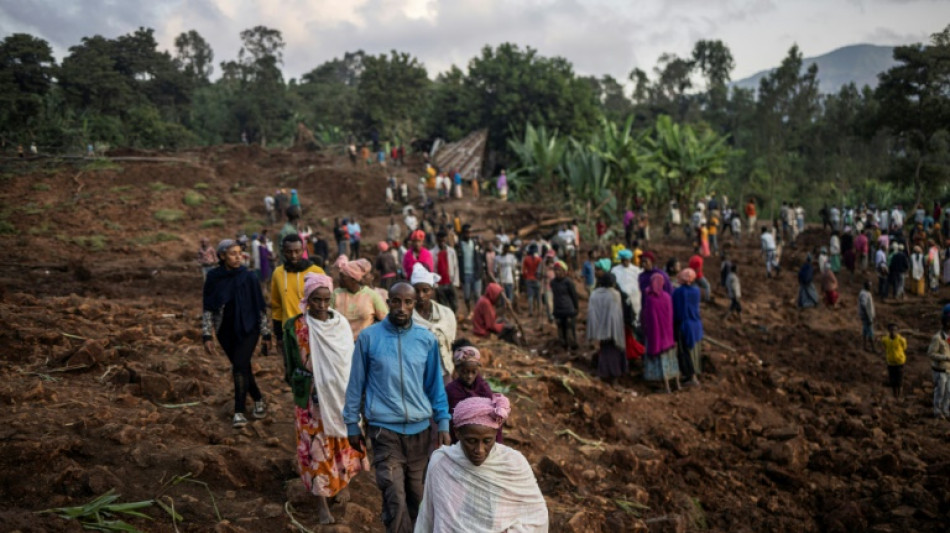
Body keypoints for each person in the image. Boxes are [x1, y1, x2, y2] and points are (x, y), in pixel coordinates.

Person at [343, 283, 451, 533]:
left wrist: (443, 421)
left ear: (415, 304)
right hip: (384, 431)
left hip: (420, 433)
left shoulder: (426, 339)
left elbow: (435, 385)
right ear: (388, 302)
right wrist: (351, 423)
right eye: (396, 301)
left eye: (408, 302)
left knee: (417, 496)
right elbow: (355, 384)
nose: (402, 308)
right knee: (394, 495)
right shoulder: (370, 338)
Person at [282, 274, 367, 524]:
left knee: (342, 441)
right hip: (311, 402)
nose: (320, 305)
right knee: (317, 447)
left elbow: (348, 361)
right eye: (315, 300)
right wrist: (306, 384)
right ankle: (321, 503)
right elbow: (290, 363)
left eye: (325, 300)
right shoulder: (296, 326)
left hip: (340, 396)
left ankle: (342, 484)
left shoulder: (339, 324)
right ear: (307, 299)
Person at [414, 394, 548, 532]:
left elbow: (537, 517)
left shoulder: (513, 464)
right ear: (457, 433)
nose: (479, 450)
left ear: (496, 434)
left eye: (487, 441)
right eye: (471, 441)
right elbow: (428, 518)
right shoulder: (441, 463)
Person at [202, 240, 271, 428]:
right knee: (243, 367)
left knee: (239, 366)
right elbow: (208, 308)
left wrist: (266, 334)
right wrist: (207, 335)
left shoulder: (249, 277)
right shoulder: (214, 278)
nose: (237, 257)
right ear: (222, 256)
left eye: (239, 253)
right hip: (225, 330)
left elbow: (260, 307)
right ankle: (258, 398)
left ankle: (239, 411)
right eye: (232, 253)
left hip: (249, 328)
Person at [271, 235, 326, 361]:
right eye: (289, 252)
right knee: (292, 372)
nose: (294, 255)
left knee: (314, 370)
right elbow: (276, 306)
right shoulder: (278, 274)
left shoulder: (316, 271)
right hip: (289, 332)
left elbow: (328, 302)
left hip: (314, 330)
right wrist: (279, 336)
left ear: (303, 250)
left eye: (297, 251)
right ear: (283, 252)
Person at [444, 342, 501, 443]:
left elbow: (494, 417)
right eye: (465, 372)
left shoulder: (484, 388)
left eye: (473, 372)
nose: (469, 376)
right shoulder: (451, 391)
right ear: (457, 369)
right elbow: (450, 420)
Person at [410, 263, 458, 381]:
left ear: (432, 291)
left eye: (425, 290)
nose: (421, 295)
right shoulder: (407, 317)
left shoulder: (446, 314)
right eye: (416, 291)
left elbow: (451, 343)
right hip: (418, 375)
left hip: (444, 371)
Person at [332, 257, 388, 341]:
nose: (339, 279)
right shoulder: (336, 294)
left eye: (343, 277)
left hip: (365, 344)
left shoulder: (371, 295)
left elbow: (386, 320)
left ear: (353, 279)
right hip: (341, 344)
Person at [642, 273, 679, 393]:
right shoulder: (667, 297)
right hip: (668, 333)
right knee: (671, 358)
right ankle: (677, 383)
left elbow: (649, 318)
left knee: (661, 360)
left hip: (656, 334)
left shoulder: (650, 300)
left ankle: (666, 386)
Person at [587, 273, 628, 382]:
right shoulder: (615, 294)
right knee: (614, 353)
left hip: (600, 329)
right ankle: (614, 377)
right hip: (613, 330)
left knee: (604, 351)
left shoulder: (594, 294)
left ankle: (603, 373)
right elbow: (617, 315)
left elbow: (592, 313)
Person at [673, 268, 703, 386]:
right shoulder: (696, 291)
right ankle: (693, 374)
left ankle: (691, 376)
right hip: (696, 324)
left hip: (684, 325)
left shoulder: (678, 292)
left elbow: (677, 311)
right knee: (694, 351)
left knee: (684, 352)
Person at [456, 225, 485, 314]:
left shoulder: (475, 243)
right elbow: (457, 261)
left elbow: (480, 257)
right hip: (465, 274)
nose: (468, 234)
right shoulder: (459, 245)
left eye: (470, 232)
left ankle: (478, 313)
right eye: (467, 232)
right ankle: (469, 311)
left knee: (477, 295)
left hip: (476, 273)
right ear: (463, 233)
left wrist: (482, 271)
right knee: (467, 296)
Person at [550, 261, 578, 350]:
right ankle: (564, 347)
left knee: (569, 329)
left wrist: (576, 308)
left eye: (559, 270)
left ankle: (572, 346)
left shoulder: (568, 282)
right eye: (555, 270)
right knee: (561, 330)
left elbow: (574, 296)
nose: (557, 272)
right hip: (558, 310)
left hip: (569, 309)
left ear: (564, 271)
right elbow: (554, 297)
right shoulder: (553, 283)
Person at [928, 306, 950, 419]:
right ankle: (937, 411)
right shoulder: (938, 338)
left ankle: (945, 410)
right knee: (940, 391)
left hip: (949, 369)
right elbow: (931, 354)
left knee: (948, 392)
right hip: (940, 370)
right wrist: (945, 358)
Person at [430, 231, 459, 313]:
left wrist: (456, 282)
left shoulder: (451, 251)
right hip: (440, 284)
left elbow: (455, 266)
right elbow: (431, 270)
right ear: (437, 240)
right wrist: (434, 284)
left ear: (446, 240)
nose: (442, 242)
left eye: (443, 240)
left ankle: (454, 319)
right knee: (443, 306)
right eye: (440, 240)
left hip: (450, 282)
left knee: (454, 304)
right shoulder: (432, 253)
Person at [877, 323, 906, 400]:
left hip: (900, 362)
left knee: (899, 380)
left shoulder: (901, 340)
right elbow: (884, 346)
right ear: (888, 331)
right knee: (892, 380)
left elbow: (904, 347)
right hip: (890, 362)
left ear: (897, 331)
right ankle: (895, 396)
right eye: (891, 330)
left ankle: (899, 396)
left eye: (895, 330)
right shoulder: (885, 340)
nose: (893, 331)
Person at [611, 249, 642, 317]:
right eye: (623, 260)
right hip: (620, 298)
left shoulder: (636, 270)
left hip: (634, 298)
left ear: (630, 259)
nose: (625, 262)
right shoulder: (615, 270)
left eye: (627, 260)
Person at [523, 245, 543, 315]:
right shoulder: (539, 259)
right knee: (538, 296)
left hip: (529, 278)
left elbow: (524, 271)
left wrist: (526, 277)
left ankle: (531, 311)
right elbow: (541, 269)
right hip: (537, 279)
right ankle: (539, 311)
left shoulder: (526, 259)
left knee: (530, 296)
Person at [858, 281, 876, 353]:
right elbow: (864, 305)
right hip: (867, 316)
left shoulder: (865, 293)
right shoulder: (864, 294)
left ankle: (864, 346)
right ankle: (873, 348)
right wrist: (869, 317)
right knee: (870, 332)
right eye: (869, 286)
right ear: (866, 286)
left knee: (865, 331)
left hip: (866, 316)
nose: (871, 287)